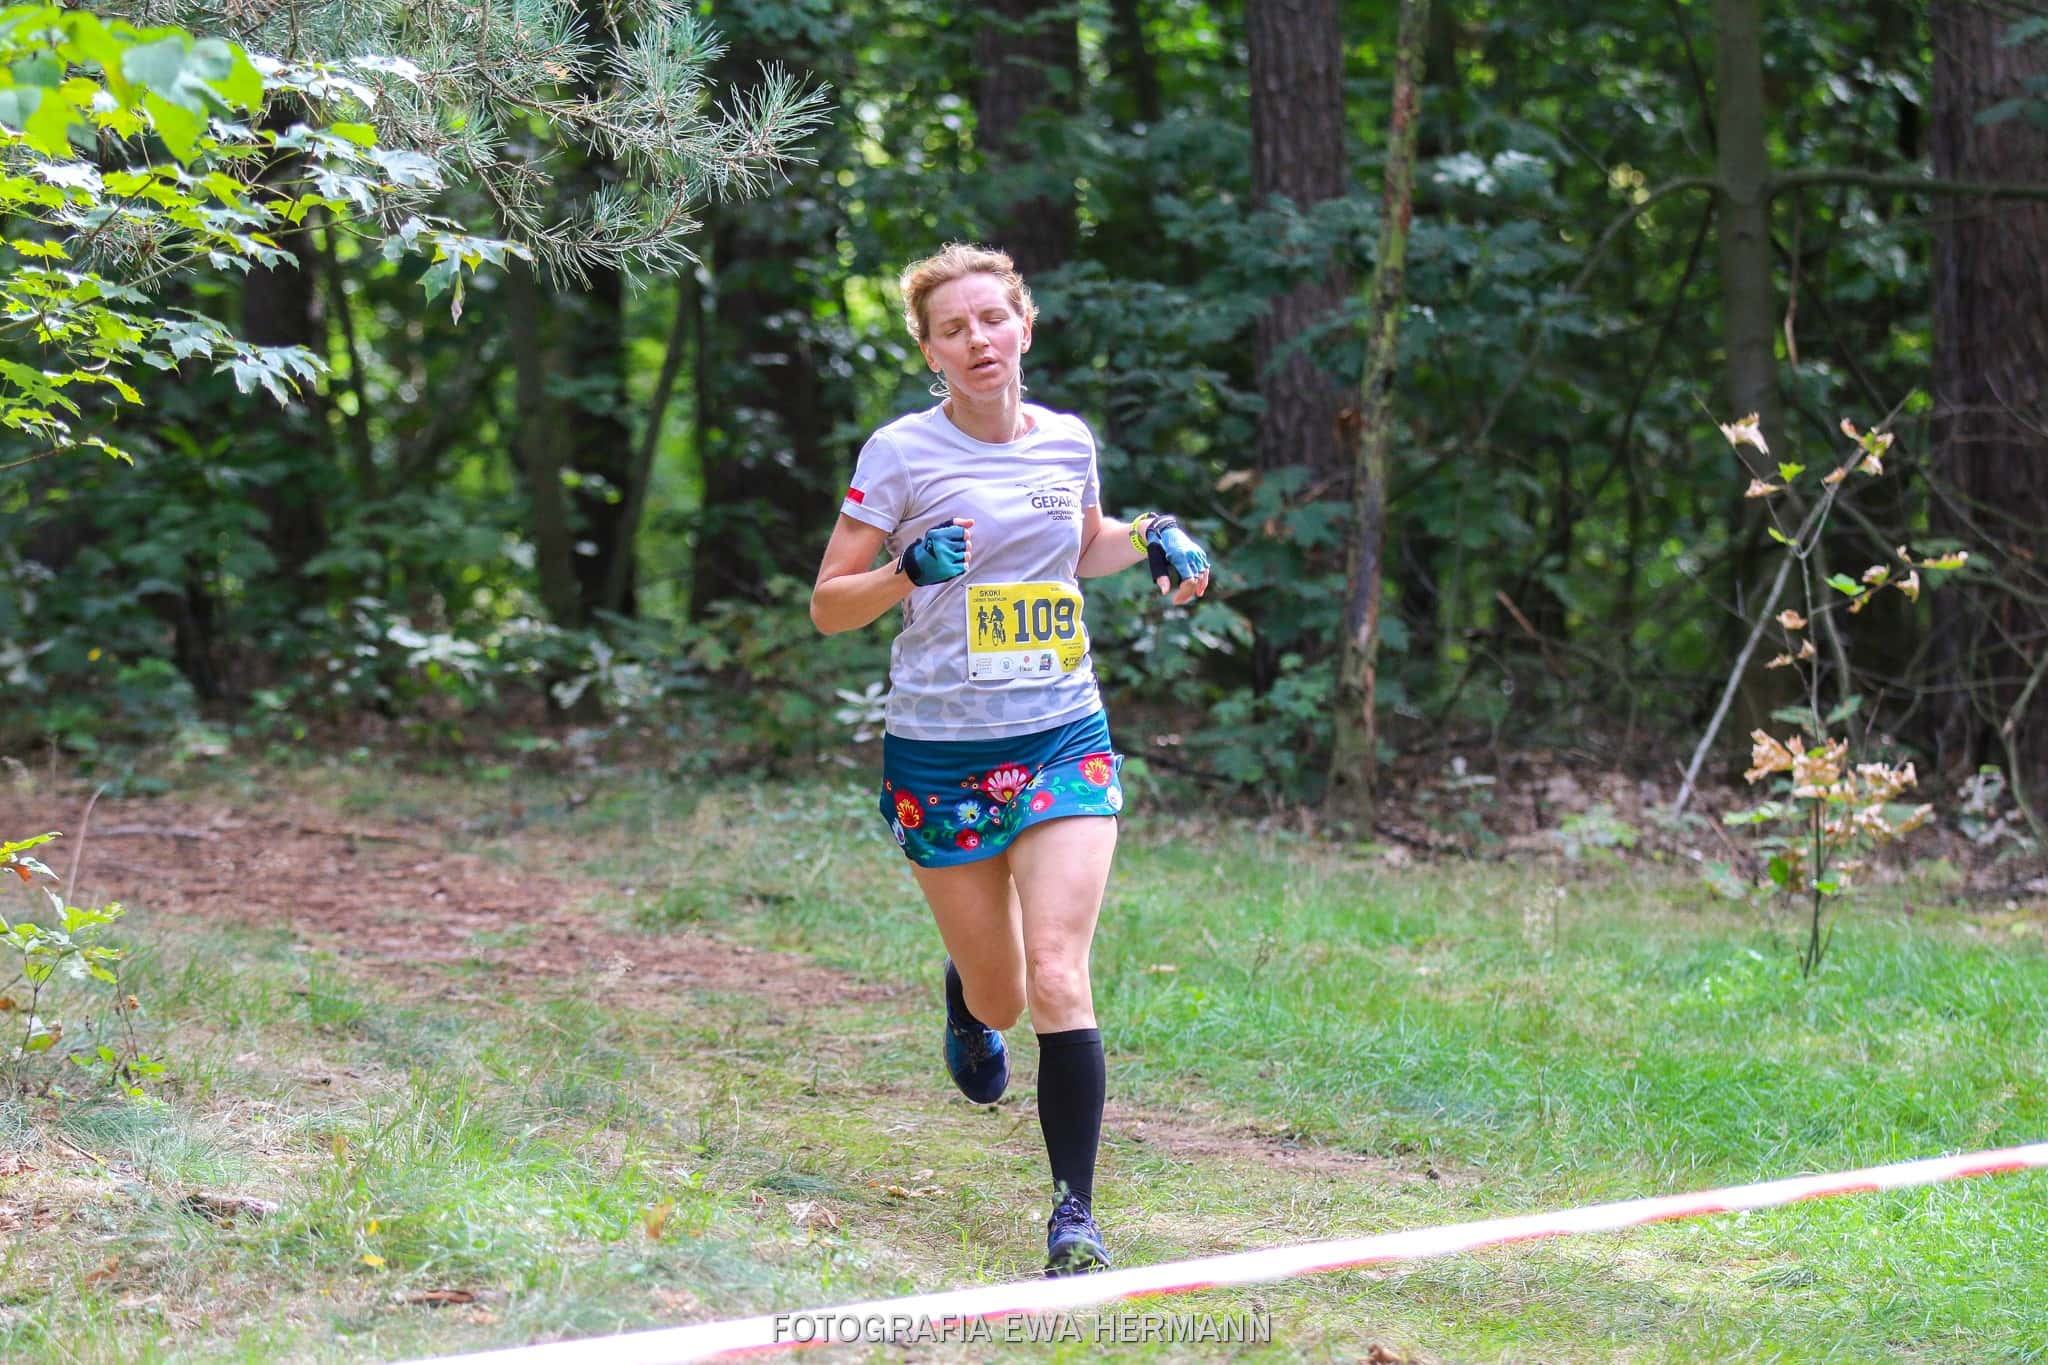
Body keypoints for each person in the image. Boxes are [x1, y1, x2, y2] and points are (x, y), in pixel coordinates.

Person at [809, 244, 1213, 1277]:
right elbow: (828, 606)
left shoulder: (1066, 440)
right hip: (940, 754)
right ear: (930, 353)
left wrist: (1153, 535)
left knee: (1059, 972)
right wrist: (905, 571)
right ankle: (967, 998)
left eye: (992, 318)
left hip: (1061, 734)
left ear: (1023, 326)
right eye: (953, 329)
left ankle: (1074, 1216)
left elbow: (1081, 545)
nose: (978, 340)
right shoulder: (900, 454)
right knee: (1002, 997)